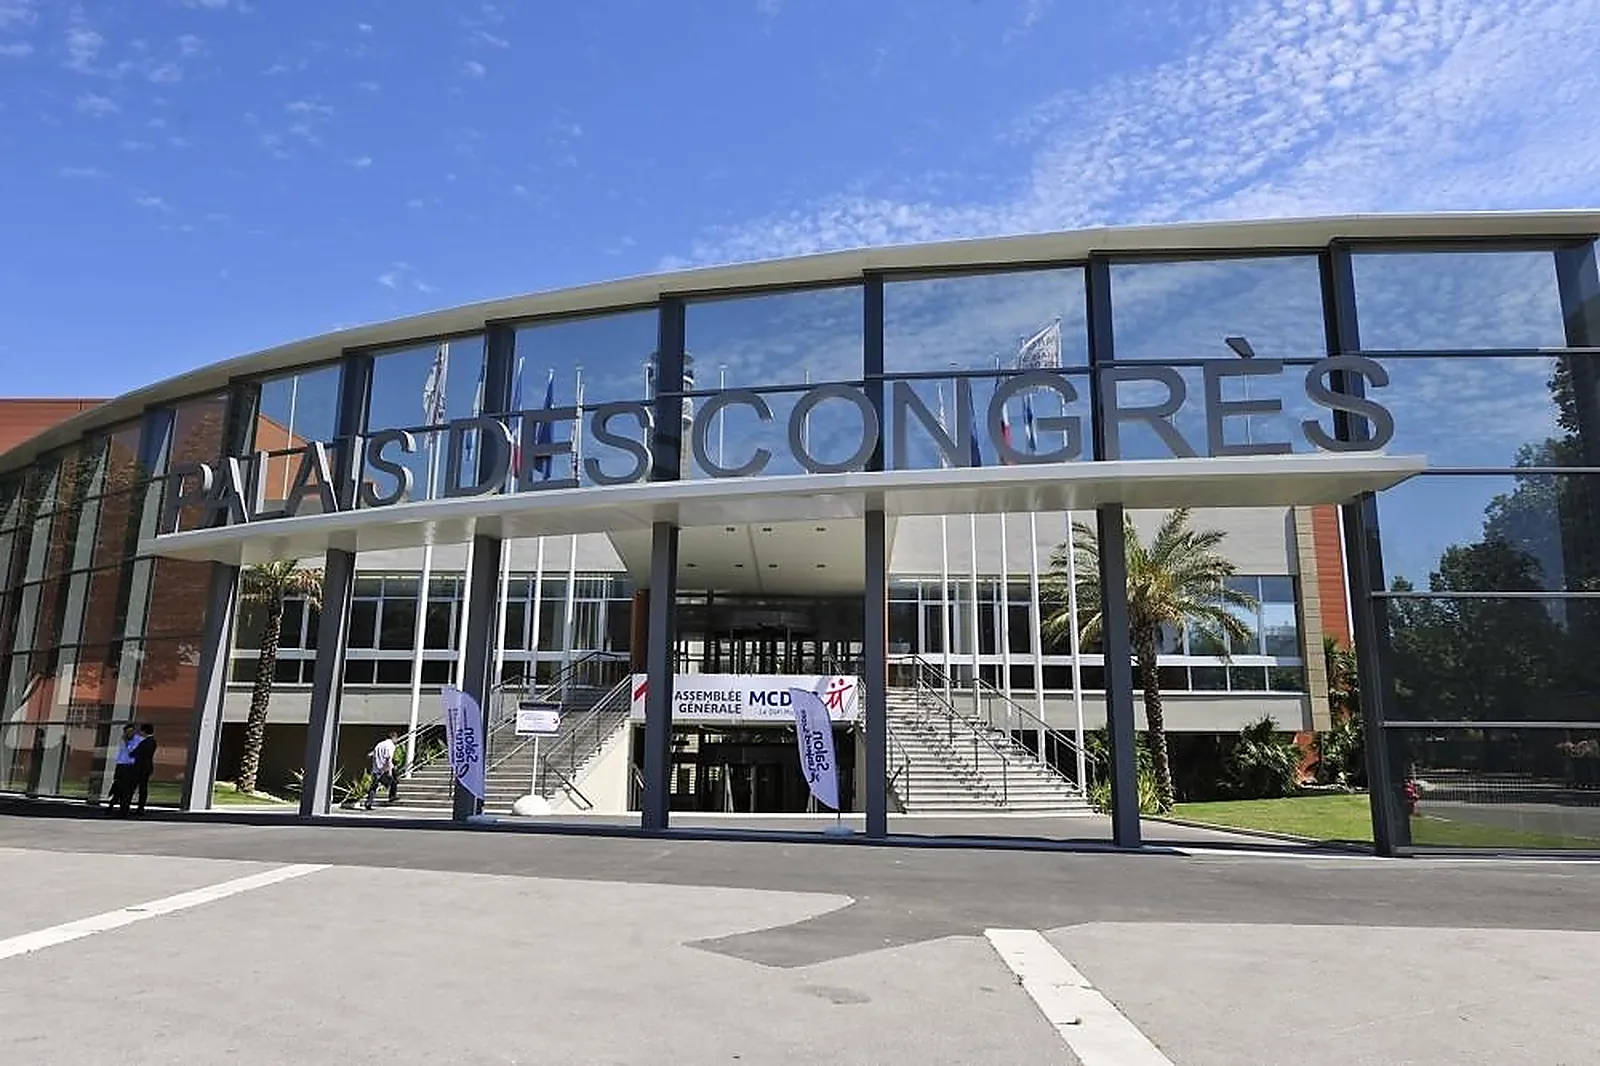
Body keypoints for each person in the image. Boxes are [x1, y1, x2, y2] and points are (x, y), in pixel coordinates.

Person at [106, 724, 141, 817]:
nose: (129, 734)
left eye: (131, 731)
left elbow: (132, 753)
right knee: (118, 788)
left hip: (131, 767)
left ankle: (124, 810)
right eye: (127, 732)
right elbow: (121, 753)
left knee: (128, 790)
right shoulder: (123, 740)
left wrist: (127, 743)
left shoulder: (138, 741)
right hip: (121, 766)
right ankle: (112, 806)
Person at [364, 730, 400, 810]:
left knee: (374, 786)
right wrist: (390, 772)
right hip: (384, 769)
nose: (397, 741)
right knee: (394, 781)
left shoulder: (379, 744)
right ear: (393, 737)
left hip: (376, 769)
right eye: (396, 739)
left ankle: (368, 803)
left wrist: (370, 755)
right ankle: (392, 796)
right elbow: (388, 758)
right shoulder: (391, 745)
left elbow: (372, 753)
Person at [130, 723, 157, 815]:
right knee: (143, 788)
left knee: (134, 787)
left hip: (141, 768)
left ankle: (135, 807)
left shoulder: (145, 742)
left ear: (144, 731)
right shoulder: (152, 741)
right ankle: (140, 807)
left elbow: (134, 753)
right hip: (147, 767)